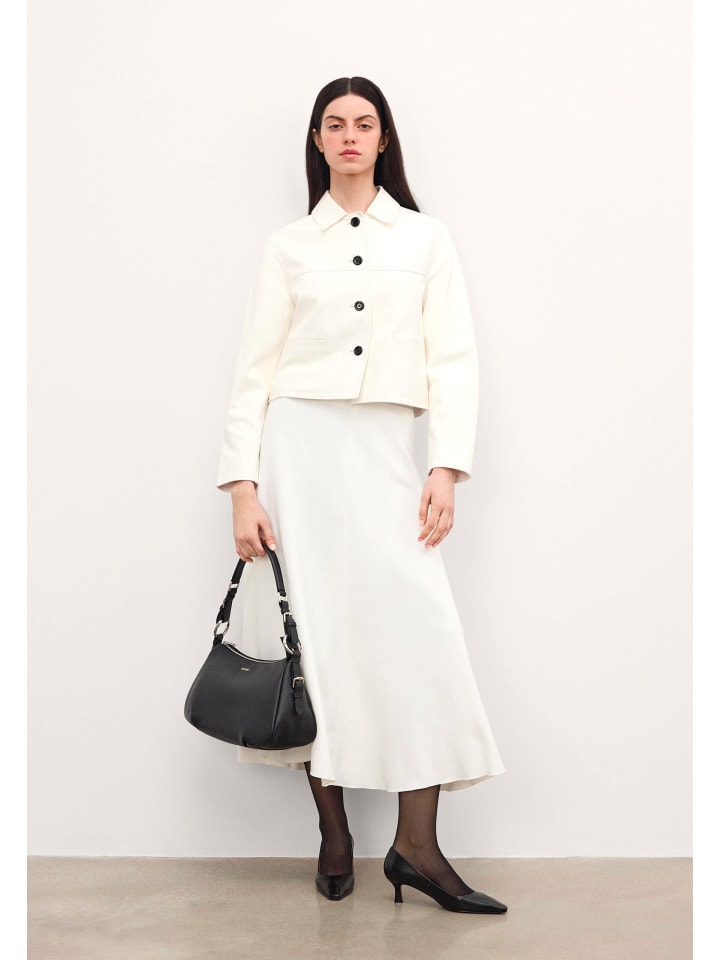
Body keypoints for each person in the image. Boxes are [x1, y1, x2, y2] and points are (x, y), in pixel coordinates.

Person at [217, 76, 507, 914]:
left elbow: (454, 360)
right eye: (335, 124)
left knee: (421, 635)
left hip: (386, 450)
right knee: (317, 645)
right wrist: (242, 487)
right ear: (317, 140)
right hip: (297, 454)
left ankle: (416, 848)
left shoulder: (425, 238)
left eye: (365, 123)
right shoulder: (287, 247)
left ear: (384, 139)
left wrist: (445, 467)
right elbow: (254, 373)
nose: (350, 135)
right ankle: (335, 833)